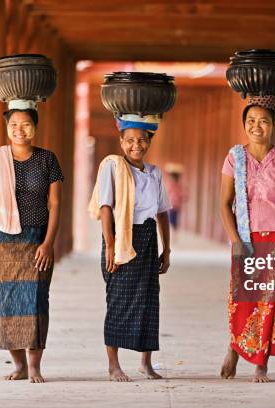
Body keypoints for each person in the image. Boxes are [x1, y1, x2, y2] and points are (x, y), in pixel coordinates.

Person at [219, 95, 275, 383]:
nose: (257, 126)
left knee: (272, 301)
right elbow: (224, 203)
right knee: (243, 300)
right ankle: (235, 347)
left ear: (274, 124)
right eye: (251, 121)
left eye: (263, 121)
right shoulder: (234, 158)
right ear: (244, 124)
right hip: (246, 237)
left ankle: (261, 362)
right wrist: (236, 241)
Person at [0, 102, 63, 384]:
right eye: (14, 125)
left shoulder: (47, 160)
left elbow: (54, 204)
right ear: (7, 128)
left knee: (37, 302)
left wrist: (48, 242)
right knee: (7, 302)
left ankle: (35, 365)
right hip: (2, 240)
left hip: (37, 239)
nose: (20, 130)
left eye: (26, 124)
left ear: (35, 128)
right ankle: (19, 365)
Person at [88, 113, 172, 382]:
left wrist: (167, 249)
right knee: (118, 299)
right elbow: (104, 207)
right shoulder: (112, 167)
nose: (136, 145)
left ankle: (146, 363)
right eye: (130, 140)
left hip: (147, 237)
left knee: (149, 300)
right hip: (121, 236)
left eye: (142, 140)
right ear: (121, 142)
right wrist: (110, 246)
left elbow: (162, 212)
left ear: (149, 141)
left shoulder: (155, 173)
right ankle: (113, 365)